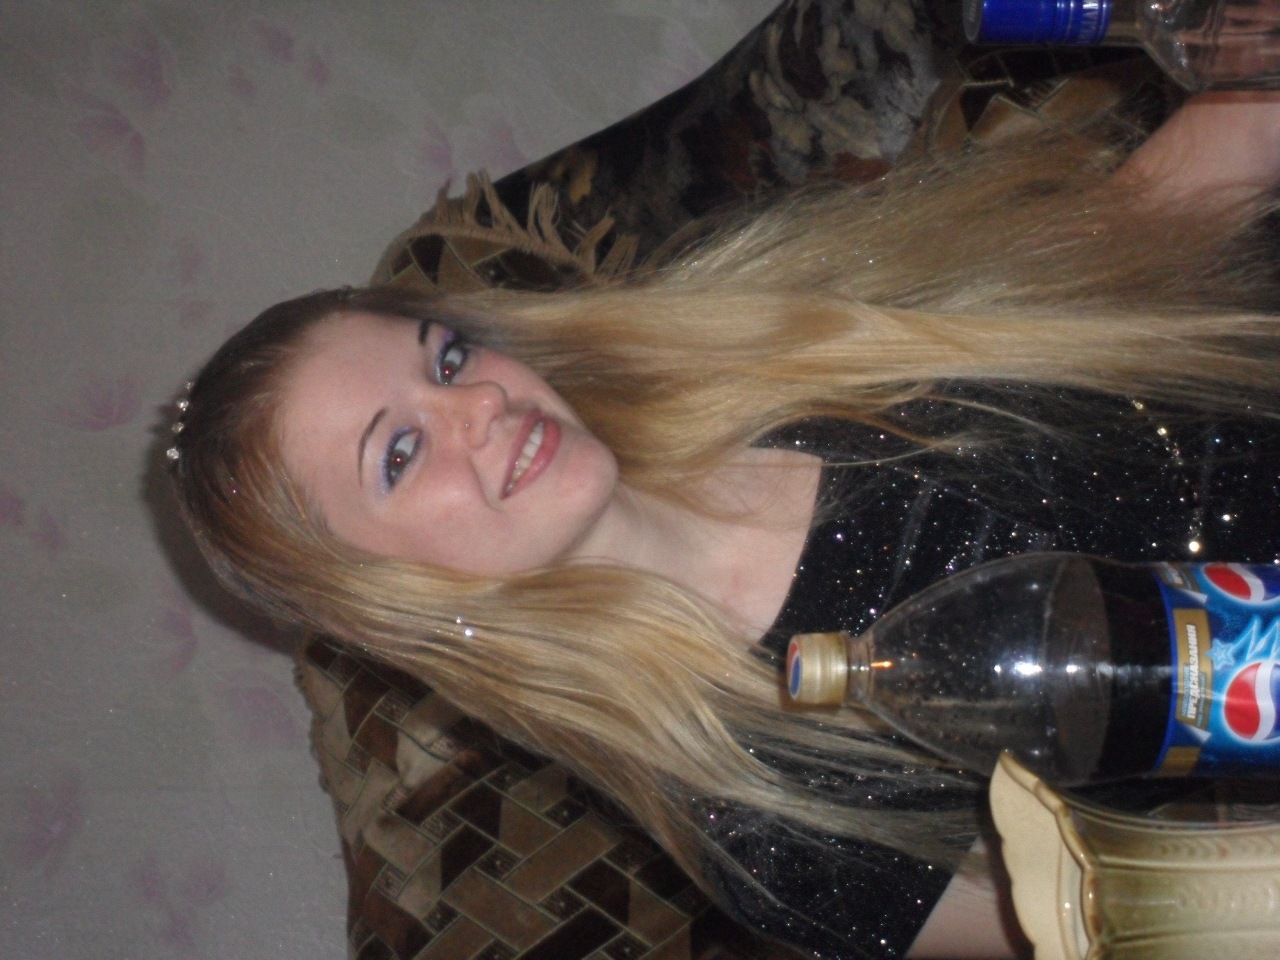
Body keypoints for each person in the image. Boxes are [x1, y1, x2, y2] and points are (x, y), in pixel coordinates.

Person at [169, 92, 1280, 959]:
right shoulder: (768, 826)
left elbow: (1141, 227)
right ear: (389, 598)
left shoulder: (759, 336)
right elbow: (1177, 925)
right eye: (400, 454)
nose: (481, 405)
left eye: (449, 359)